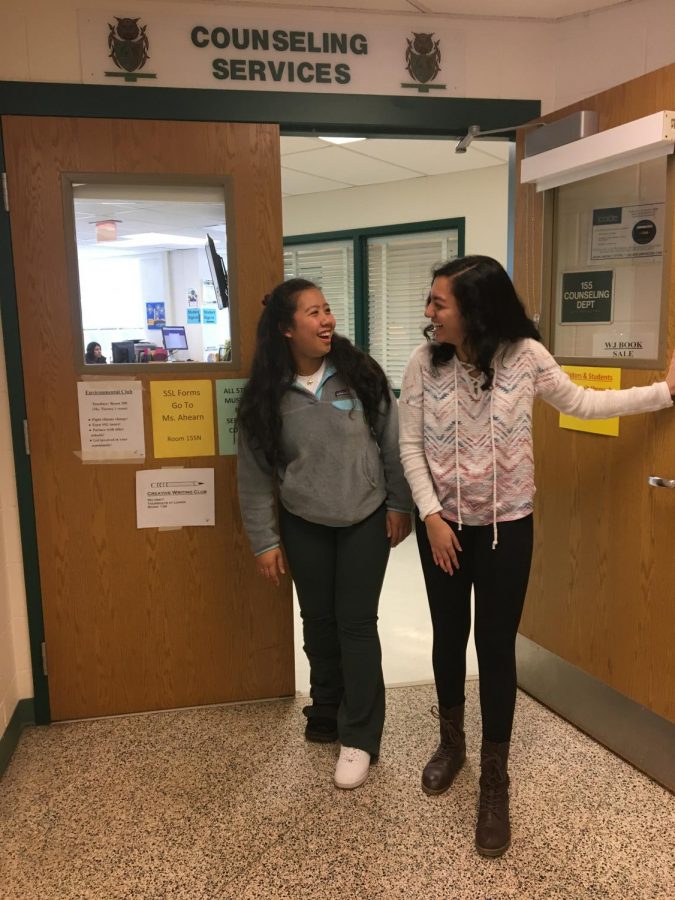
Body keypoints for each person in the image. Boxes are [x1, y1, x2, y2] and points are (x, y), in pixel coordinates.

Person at [398, 255, 675, 858]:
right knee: (449, 637)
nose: (429, 312)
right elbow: (410, 446)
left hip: (507, 528)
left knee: (495, 647)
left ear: (475, 308)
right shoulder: (424, 363)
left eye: (439, 302)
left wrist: (664, 392)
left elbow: (583, 404)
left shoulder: (525, 356)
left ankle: (495, 780)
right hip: (441, 528)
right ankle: (452, 745)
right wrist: (431, 516)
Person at [237, 278, 412, 790]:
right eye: (313, 313)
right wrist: (264, 540)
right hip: (303, 521)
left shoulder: (359, 374)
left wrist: (399, 503)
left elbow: (393, 443)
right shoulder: (267, 393)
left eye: (328, 310)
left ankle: (359, 736)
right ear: (287, 328)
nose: (327, 320)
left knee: (355, 624)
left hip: (364, 517)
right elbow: (253, 473)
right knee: (317, 623)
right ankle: (327, 705)